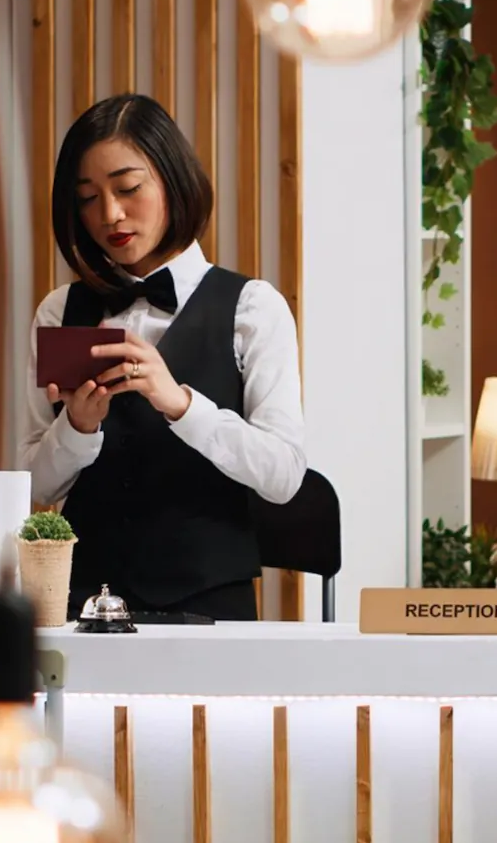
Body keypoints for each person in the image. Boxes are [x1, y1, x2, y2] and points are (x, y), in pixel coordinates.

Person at [20, 94, 308, 622]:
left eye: (128, 189)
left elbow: (285, 475)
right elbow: (31, 486)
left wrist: (180, 405)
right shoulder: (59, 310)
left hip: (210, 610)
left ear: (172, 179)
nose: (110, 214)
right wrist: (77, 429)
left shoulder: (252, 307)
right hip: (82, 605)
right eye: (87, 198)